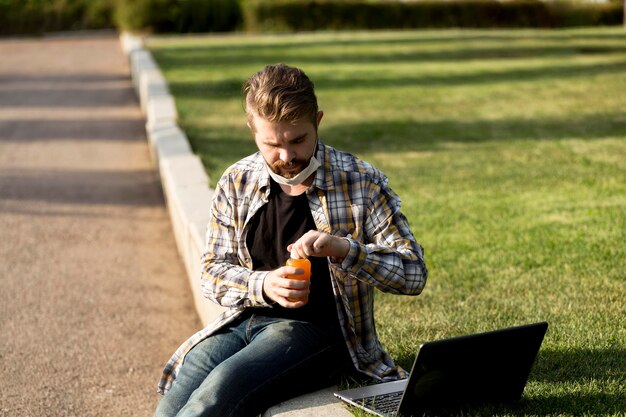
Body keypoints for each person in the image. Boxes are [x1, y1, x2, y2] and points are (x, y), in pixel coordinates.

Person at [153, 64, 428, 417]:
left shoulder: (361, 181)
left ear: (318, 121)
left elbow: (413, 273)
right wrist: (264, 284)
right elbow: (211, 272)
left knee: (216, 393)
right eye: (272, 144)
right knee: (172, 404)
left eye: (298, 140)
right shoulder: (237, 181)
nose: (286, 156)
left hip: (317, 333)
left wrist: (343, 249)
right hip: (242, 322)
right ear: (253, 132)